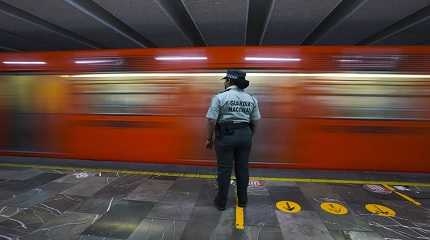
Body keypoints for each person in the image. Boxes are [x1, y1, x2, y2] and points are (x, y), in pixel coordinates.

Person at [206, 70, 261, 211]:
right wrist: (249, 135)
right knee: (242, 169)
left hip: (226, 136)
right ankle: (242, 201)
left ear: (229, 81)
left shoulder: (220, 97)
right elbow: (255, 121)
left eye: (225, 80)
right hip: (245, 135)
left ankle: (221, 203)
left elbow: (212, 120)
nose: (224, 82)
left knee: (224, 171)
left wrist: (209, 138)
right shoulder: (251, 98)